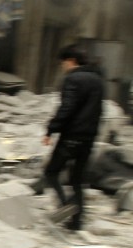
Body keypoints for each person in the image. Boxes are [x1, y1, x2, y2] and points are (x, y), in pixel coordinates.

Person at [41, 44, 104, 231]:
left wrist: (51, 129)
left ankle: (67, 207)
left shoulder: (73, 79)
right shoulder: (98, 79)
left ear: (71, 61)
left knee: (51, 173)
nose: (62, 67)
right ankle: (77, 222)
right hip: (89, 136)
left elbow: (67, 108)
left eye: (63, 63)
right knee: (77, 179)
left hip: (72, 135)